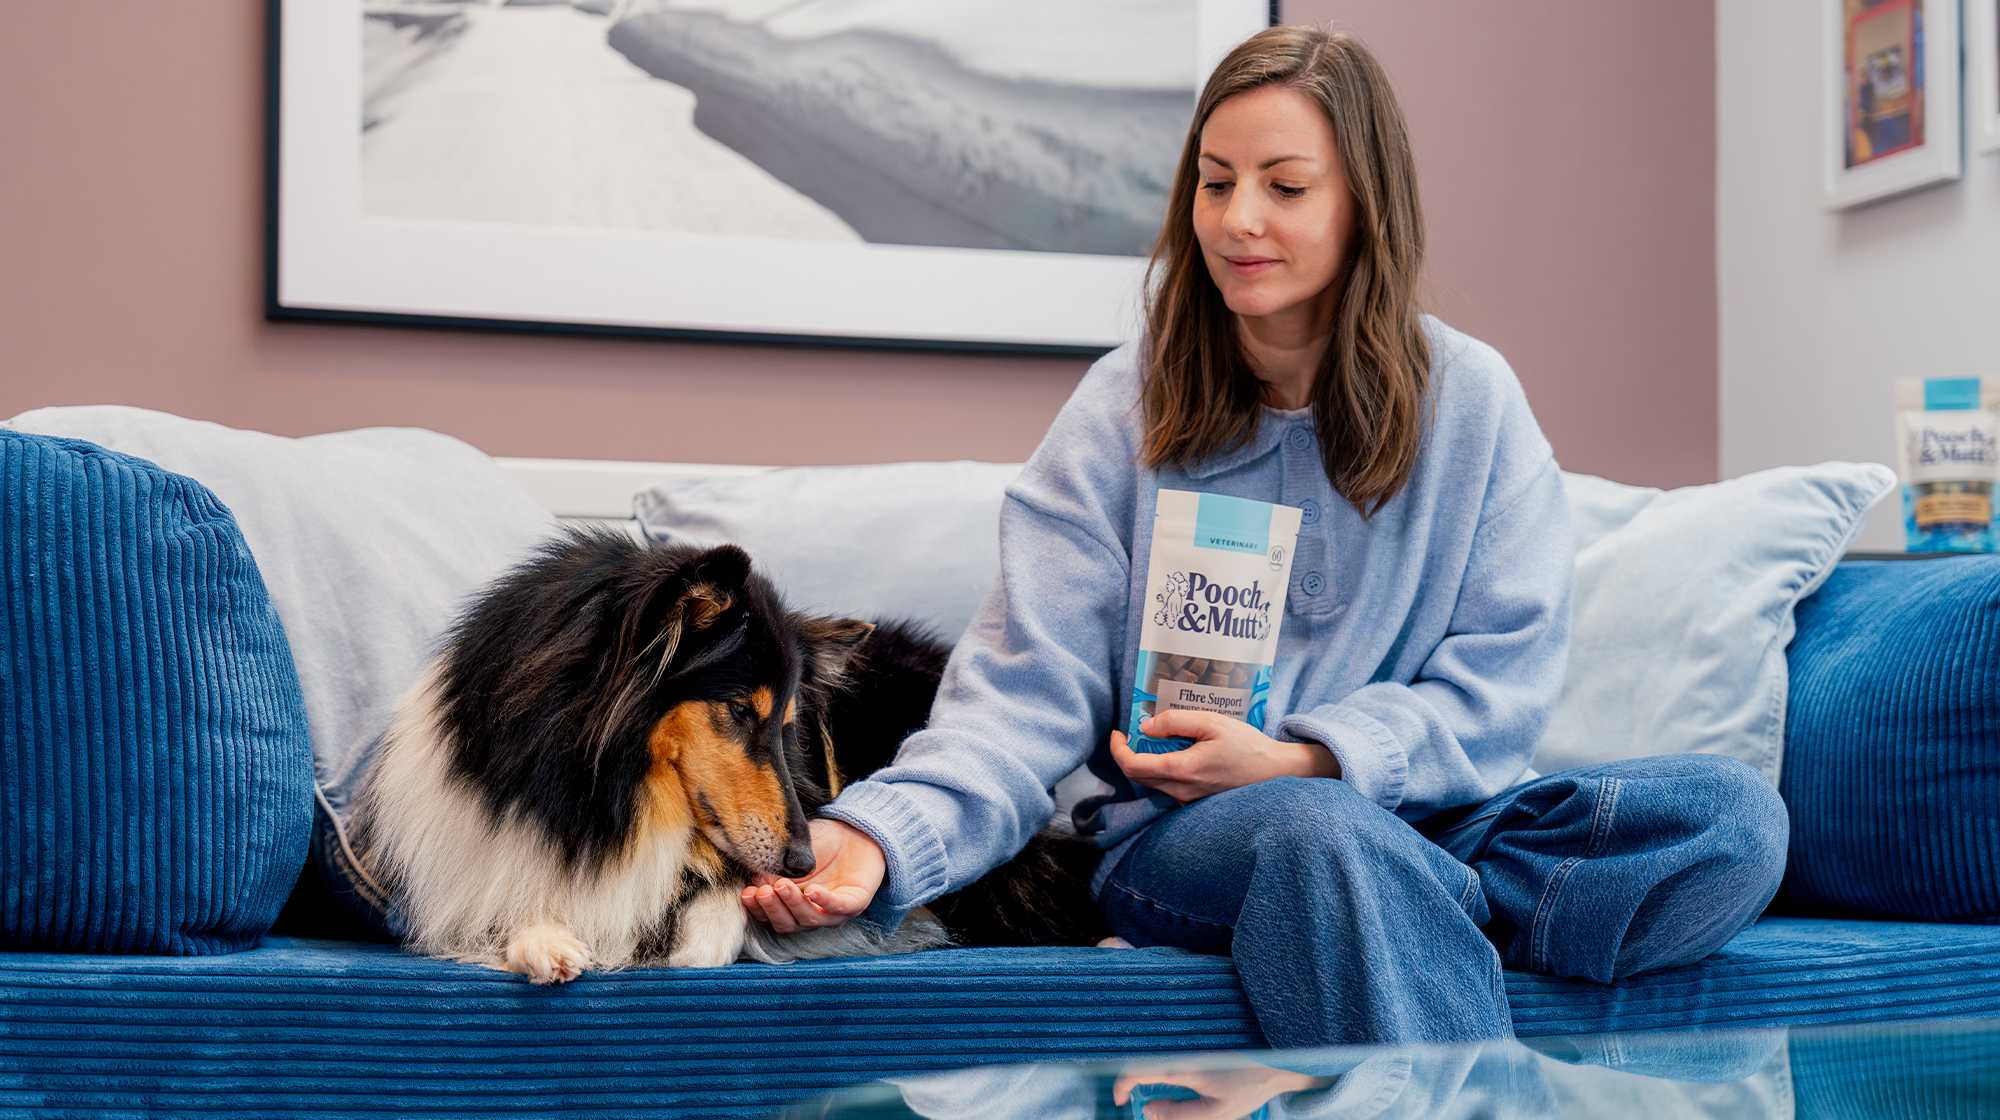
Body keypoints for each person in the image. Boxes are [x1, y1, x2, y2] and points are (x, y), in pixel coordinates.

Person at [741, 25, 1787, 1046]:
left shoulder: (1470, 401)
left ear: (1362, 205)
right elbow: (1016, 698)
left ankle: (1377, 921)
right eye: (1214, 181)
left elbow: (1499, 692)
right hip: (1178, 843)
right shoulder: (1123, 408)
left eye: (1284, 188)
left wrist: (1303, 757)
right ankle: (1373, 932)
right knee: (1318, 838)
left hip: (1418, 823)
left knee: (1725, 819)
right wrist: (880, 837)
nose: (1238, 219)